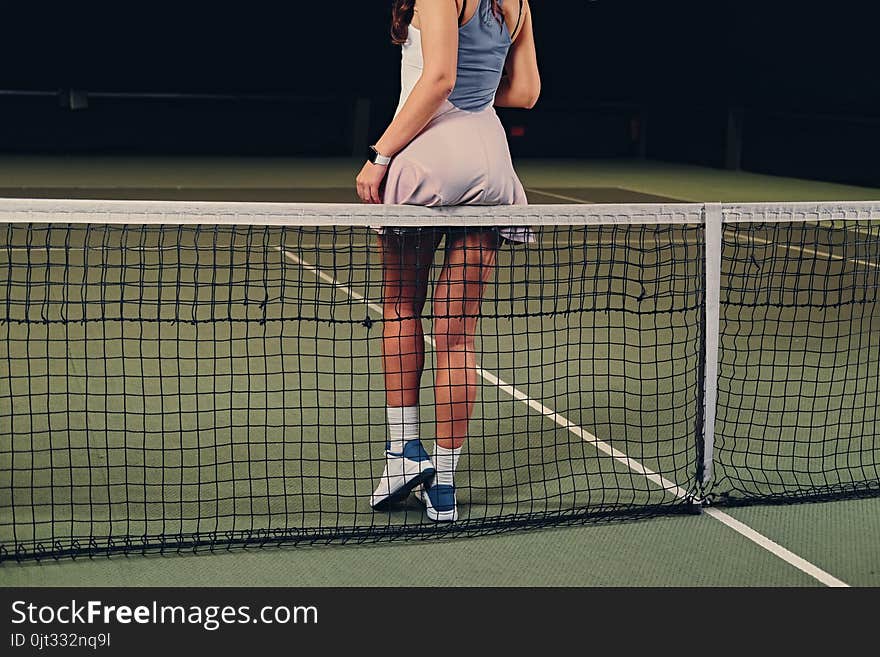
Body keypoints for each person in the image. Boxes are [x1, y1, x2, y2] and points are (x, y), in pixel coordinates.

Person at [356, 0, 540, 522]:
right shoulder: (519, 3)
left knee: (399, 308)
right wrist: (475, 98)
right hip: (490, 158)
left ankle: (402, 455)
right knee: (457, 335)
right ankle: (443, 484)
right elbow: (525, 93)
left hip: (429, 154)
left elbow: (438, 78)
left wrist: (379, 155)